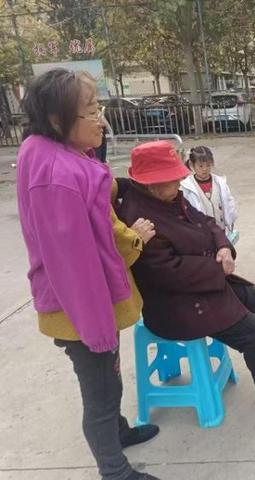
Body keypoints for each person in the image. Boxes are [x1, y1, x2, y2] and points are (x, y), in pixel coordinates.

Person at [16, 69, 161, 480]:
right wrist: (97, 328)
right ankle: (115, 471)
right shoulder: (58, 177)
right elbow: (74, 265)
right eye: (93, 111)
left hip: (86, 299)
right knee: (100, 392)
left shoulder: (47, 148)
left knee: (108, 379)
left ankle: (117, 434)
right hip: (82, 307)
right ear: (60, 121)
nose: (102, 120)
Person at [118, 140, 255, 412]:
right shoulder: (138, 217)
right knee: (254, 329)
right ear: (153, 183)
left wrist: (224, 247)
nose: (180, 184)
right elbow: (169, 273)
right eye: (173, 179)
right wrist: (216, 267)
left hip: (203, 285)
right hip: (176, 305)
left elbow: (207, 222)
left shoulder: (169, 197)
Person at [180, 145, 238, 233]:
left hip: (220, 228)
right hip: (201, 231)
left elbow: (229, 201)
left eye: (208, 165)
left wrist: (230, 218)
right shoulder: (187, 186)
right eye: (200, 166)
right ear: (192, 164)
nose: (205, 169)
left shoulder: (220, 183)